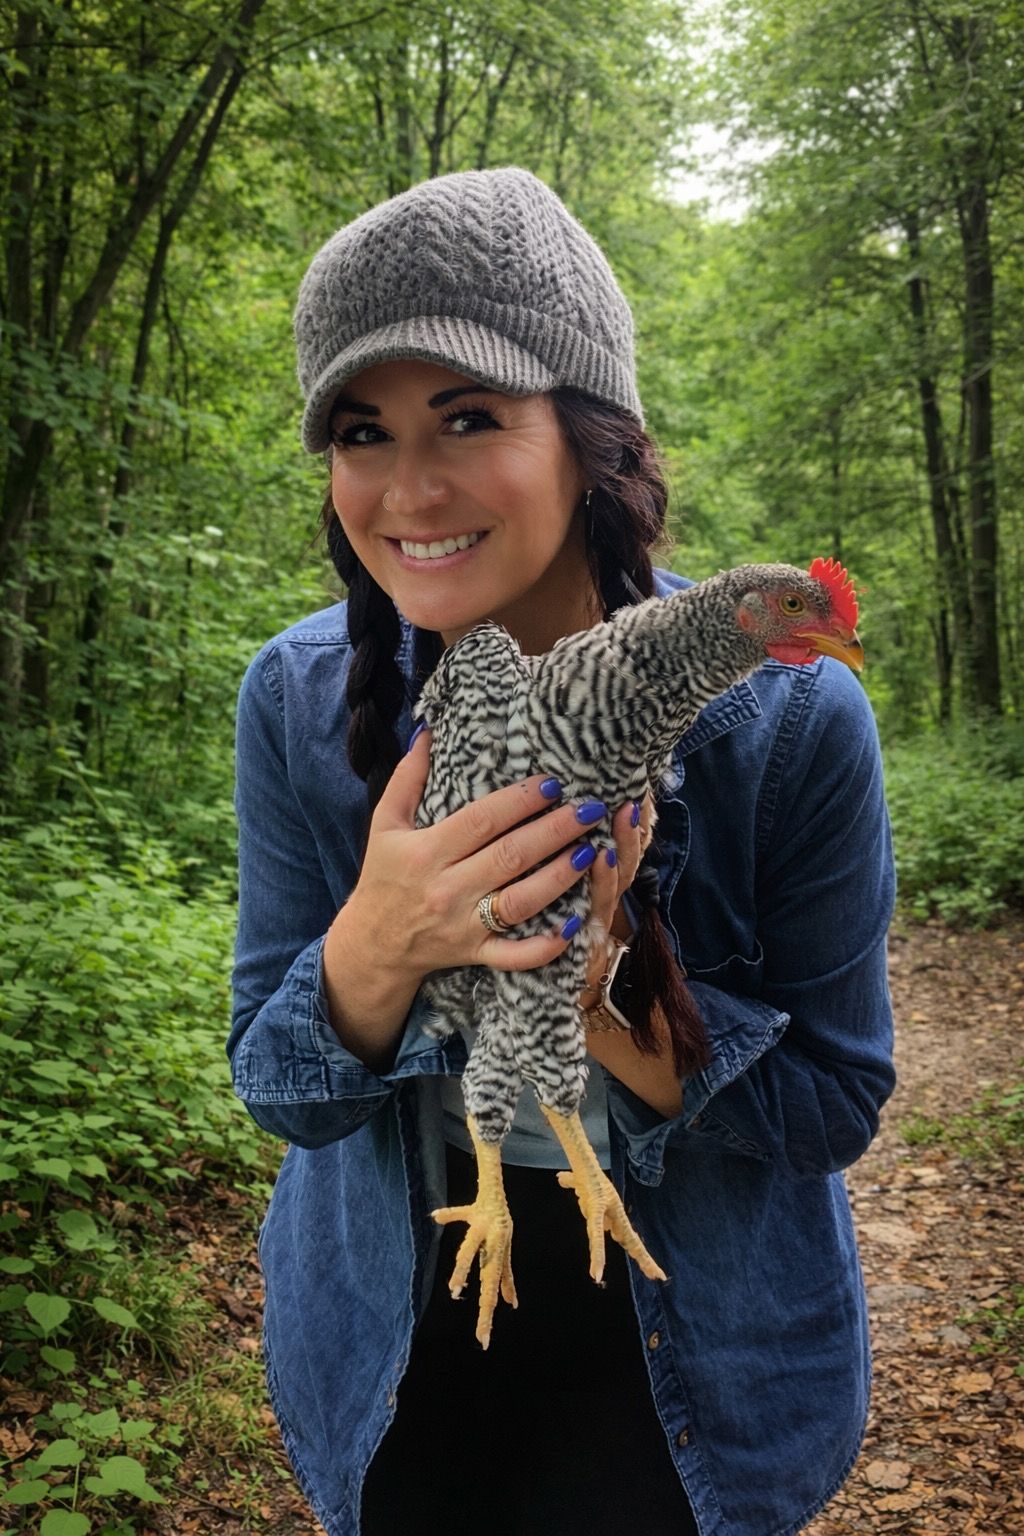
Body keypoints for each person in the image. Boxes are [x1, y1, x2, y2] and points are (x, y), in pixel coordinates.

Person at [228, 167, 896, 1536]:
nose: (408, 486)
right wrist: (382, 943)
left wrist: (605, 1002)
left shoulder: (787, 722)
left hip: (693, 1361)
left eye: (468, 416)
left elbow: (834, 1106)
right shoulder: (299, 701)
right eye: (361, 431)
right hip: (395, 1346)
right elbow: (283, 1091)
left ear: (592, 436)